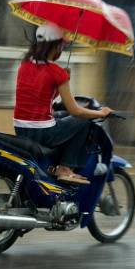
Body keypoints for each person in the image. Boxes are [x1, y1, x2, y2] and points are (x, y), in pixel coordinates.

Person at [13, 22, 113, 185]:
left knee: (60, 115)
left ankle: (53, 165)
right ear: (55, 46)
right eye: (61, 45)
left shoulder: (25, 65)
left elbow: (43, 99)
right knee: (84, 121)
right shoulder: (56, 71)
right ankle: (65, 168)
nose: (62, 49)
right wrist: (101, 113)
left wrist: (60, 83)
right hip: (42, 132)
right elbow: (76, 111)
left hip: (21, 129)